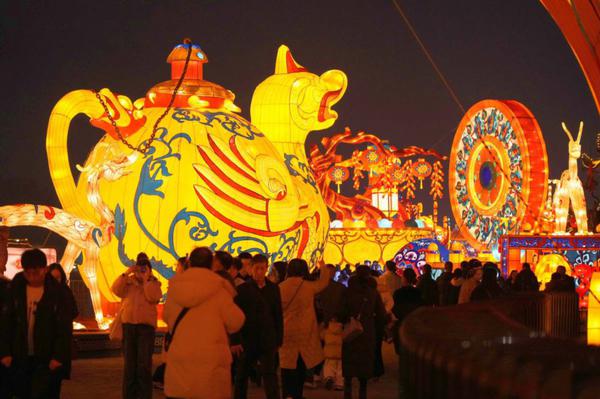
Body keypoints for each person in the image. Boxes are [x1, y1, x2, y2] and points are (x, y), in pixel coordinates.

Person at [163, 247, 244, 399]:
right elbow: (236, 322)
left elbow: (168, 318)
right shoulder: (219, 288)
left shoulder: (175, 288)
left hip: (181, 362)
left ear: (190, 262)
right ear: (211, 263)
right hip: (211, 368)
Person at [0, 249, 72, 399]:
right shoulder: (15, 289)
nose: (32, 277)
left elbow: (64, 328)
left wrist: (58, 357)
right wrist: (5, 352)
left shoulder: (57, 292)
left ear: (44, 269)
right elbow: (6, 323)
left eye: (36, 273)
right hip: (20, 356)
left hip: (47, 357)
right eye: (28, 273)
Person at [279, 259, 333, 399]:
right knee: (301, 365)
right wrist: (322, 266)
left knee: (287, 366)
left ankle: (287, 394)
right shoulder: (309, 287)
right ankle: (297, 394)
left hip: (286, 330)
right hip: (305, 330)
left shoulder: (280, 287)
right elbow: (324, 282)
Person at [111, 254, 163, 399]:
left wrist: (146, 280)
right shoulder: (128, 282)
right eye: (139, 267)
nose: (141, 270)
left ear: (150, 269)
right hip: (129, 327)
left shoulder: (154, 283)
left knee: (144, 365)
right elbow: (115, 290)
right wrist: (127, 272)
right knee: (129, 366)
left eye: (144, 268)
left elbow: (153, 297)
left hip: (145, 329)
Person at [232, 254, 282, 399]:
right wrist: (235, 339)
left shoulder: (273, 289)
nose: (260, 272)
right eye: (257, 268)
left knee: (270, 375)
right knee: (241, 375)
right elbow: (235, 315)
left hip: (267, 339)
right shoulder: (243, 289)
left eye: (262, 268)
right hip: (247, 338)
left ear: (266, 269)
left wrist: (279, 339)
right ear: (251, 269)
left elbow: (277, 314)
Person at [340, 265, 386, 399]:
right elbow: (381, 313)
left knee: (349, 360)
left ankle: (347, 390)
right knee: (364, 363)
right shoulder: (373, 293)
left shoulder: (347, 292)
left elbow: (340, 311)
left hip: (351, 330)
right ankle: (362, 392)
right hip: (367, 331)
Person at [47, 263, 79, 398]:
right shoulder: (45, 293)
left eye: (58, 278)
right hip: (47, 345)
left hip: (59, 346)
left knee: (54, 385)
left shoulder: (65, 293)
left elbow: (73, 312)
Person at [391, 268, 424, 354]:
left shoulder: (398, 293)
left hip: (402, 322)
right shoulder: (418, 292)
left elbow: (395, 309)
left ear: (404, 278)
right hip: (414, 322)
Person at [320, 318, 343, 391]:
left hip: (329, 353)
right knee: (340, 368)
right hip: (340, 353)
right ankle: (339, 383)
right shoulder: (343, 329)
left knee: (328, 366)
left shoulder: (327, 329)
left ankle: (329, 377)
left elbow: (321, 336)